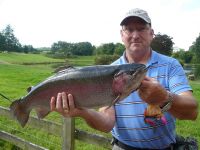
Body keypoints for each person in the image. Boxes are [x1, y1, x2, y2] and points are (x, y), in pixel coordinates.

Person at [50, 8, 198, 150]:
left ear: (151, 33)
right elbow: (106, 124)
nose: (135, 35)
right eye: (129, 29)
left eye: (141, 28)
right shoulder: (109, 72)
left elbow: (192, 112)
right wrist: (82, 112)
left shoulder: (171, 65)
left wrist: (164, 97)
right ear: (122, 35)